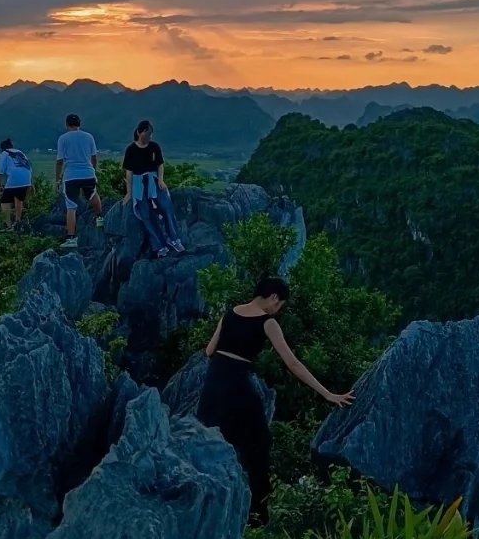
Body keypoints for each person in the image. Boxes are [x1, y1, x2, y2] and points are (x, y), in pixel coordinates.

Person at [198, 275, 353, 518]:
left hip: (213, 384)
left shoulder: (229, 313)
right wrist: (327, 393)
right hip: (237, 385)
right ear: (273, 298)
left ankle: (211, 507)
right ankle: (258, 514)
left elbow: (209, 351)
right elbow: (292, 362)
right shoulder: (267, 322)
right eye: (279, 305)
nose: (278, 310)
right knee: (259, 444)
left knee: (211, 445)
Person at [122, 119, 185, 257]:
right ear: (139, 133)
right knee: (146, 215)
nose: (148, 137)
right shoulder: (131, 150)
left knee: (166, 206)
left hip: (153, 180)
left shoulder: (154, 147)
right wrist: (129, 192)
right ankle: (159, 245)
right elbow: (129, 172)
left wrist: (161, 180)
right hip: (138, 183)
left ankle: (174, 239)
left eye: (150, 135)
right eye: (146, 134)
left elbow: (160, 164)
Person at [54, 112, 102, 244]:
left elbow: (59, 161)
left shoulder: (63, 139)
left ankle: (71, 238)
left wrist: (57, 179)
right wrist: (93, 170)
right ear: (79, 124)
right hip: (88, 173)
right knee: (92, 194)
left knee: (71, 206)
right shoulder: (89, 137)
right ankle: (99, 218)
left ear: (67, 125)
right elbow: (94, 157)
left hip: (71, 176)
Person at [0, 137, 33, 229]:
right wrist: (31, 183)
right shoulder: (20, 153)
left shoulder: (4, 154)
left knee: (5, 201)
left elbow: (0, 171)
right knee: (18, 199)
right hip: (26, 178)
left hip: (14, 178)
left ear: (2, 148)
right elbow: (28, 167)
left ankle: (8, 224)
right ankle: (17, 221)